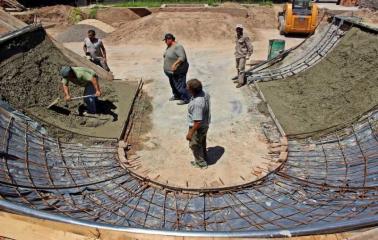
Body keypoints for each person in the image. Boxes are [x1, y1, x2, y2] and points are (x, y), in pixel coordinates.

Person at [186, 79, 211, 169]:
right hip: (205, 124)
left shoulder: (197, 103)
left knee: (194, 145)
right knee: (202, 140)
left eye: (187, 87)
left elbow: (197, 122)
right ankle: (204, 155)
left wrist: (190, 133)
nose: (186, 88)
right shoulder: (204, 93)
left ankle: (201, 163)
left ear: (192, 90)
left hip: (198, 127)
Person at [163, 33, 190, 105]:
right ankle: (177, 95)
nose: (165, 42)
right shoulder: (169, 46)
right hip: (171, 72)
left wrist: (175, 64)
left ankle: (186, 98)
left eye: (165, 40)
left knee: (180, 85)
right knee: (173, 85)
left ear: (170, 39)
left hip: (178, 71)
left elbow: (182, 57)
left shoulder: (178, 46)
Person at [234, 24, 253, 88]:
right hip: (237, 55)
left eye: (239, 29)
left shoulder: (245, 37)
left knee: (241, 69)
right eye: (237, 29)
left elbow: (250, 46)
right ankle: (239, 79)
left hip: (242, 55)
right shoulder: (236, 36)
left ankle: (241, 82)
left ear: (242, 29)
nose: (238, 30)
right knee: (238, 68)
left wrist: (249, 54)